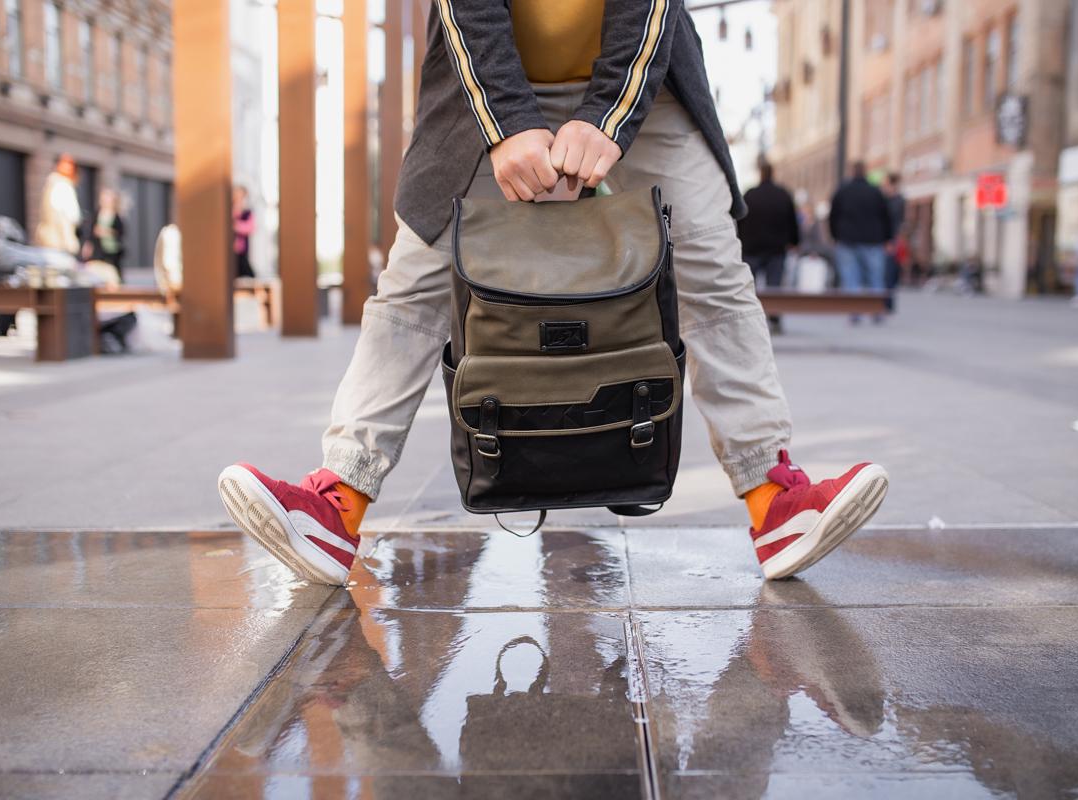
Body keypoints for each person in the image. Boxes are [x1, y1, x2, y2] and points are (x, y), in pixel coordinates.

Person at [216, 0, 890, 586]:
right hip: (487, 84)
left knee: (713, 270)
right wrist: (509, 122)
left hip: (643, 81)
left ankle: (773, 502)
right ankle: (340, 504)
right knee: (415, 285)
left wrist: (607, 118)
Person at [0, 153, 82, 337]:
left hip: (49, 244)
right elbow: (72, 216)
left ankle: (3, 324)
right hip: (58, 247)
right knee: (56, 286)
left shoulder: (51, 184)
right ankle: (59, 335)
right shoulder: (62, 186)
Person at [737, 160, 799, 333]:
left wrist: (740, 240)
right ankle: (775, 319)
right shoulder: (783, 195)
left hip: (752, 247)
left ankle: (749, 320)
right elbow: (792, 221)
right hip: (776, 248)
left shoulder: (750, 195)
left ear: (760, 173)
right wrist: (794, 241)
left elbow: (740, 221)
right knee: (775, 285)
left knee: (749, 286)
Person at [829, 161, 893, 324]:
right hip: (873, 240)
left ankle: (854, 311)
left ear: (852, 172)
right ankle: (876, 311)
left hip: (847, 239)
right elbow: (886, 216)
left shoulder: (843, 191)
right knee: (875, 277)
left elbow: (833, 216)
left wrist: (835, 235)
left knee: (851, 278)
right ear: (865, 172)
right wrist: (888, 238)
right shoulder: (875, 192)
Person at [84, 188, 126, 279]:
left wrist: (107, 232)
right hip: (99, 249)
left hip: (112, 250)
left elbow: (121, 232)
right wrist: (88, 245)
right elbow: (90, 232)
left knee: (114, 271)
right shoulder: (96, 214)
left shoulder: (116, 215)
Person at [883, 172, 906, 313]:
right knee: (886, 272)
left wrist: (891, 241)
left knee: (890, 272)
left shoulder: (897, 201)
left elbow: (895, 223)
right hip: (888, 239)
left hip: (891, 240)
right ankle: (885, 302)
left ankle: (888, 302)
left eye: (886, 184)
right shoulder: (889, 200)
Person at [232, 186, 256, 279]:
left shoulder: (247, 213)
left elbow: (250, 228)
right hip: (232, 250)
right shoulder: (231, 212)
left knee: (246, 272)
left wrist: (236, 226)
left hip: (242, 250)